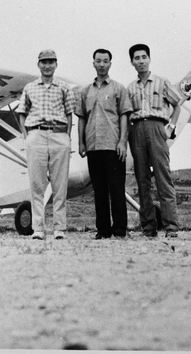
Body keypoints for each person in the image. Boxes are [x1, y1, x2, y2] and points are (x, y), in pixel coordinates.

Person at [17, 49, 76, 241]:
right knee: (37, 184)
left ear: (56, 64)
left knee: (60, 184)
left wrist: (66, 137)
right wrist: (27, 137)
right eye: (44, 62)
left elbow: (69, 114)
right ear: (38, 65)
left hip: (59, 135)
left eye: (51, 62)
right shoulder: (30, 87)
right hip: (36, 134)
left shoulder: (64, 88)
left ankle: (60, 228)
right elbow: (22, 112)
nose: (47, 65)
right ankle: (38, 229)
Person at [126, 44, 184, 238]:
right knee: (142, 180)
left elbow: (177, 104)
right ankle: (148, 228)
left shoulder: (162, 82)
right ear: (132, 62)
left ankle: (171, 227)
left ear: (149, 59)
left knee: (162, 178)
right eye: (137, 58)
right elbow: (127, 114)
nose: (141, 61)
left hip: (157, 128)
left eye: (144, 57)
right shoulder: (130, 88)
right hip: (136, 131)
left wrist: (171, 127)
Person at [76, 49, 133, 239]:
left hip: (113, 145)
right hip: (93, 146)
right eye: (98, 61)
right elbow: (82, 118)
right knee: (99, 191)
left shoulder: (119, 89)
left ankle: (119, 230)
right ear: (93, 63)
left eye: (105, 61)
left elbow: (124, 115)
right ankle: (103, 230)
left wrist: (123, 142)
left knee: (116, 189)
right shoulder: (85, 91)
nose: (101, 64)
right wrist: (81, 142)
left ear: (110, 64)